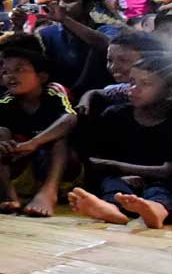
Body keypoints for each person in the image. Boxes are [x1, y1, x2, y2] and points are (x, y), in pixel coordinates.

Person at [68, 42, 172, 228]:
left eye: (145, 84)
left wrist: (117, 167)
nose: (134, 89)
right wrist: (119, 171)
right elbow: (97, 160)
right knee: (111, 184)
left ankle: (156, 210)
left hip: (162, 181)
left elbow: (167, 171)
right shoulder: (115, 115)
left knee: (163, 189)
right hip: (122, 178)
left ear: (168, 91)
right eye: (132, 82)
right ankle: (112, 209)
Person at [0, 45, 78, 216]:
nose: (11, 76)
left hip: (62, 168)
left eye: (19, 69)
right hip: (26, 167)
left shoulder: (53, 93)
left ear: (42, 76)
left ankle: (48, 193)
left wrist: (33, 143)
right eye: (6, 72)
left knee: (59, 138)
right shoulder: (6, 101)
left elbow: (70, 119)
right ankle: (8, 194)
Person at [36, 0, 120, 96]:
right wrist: (18, 27)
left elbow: (107, 45)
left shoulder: (106, 29)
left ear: (89, 6)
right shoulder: (47, 34)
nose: (60, 5)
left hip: (99, 97)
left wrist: (65, 19)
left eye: (68, 1)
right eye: (56, 1)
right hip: (61, 99)